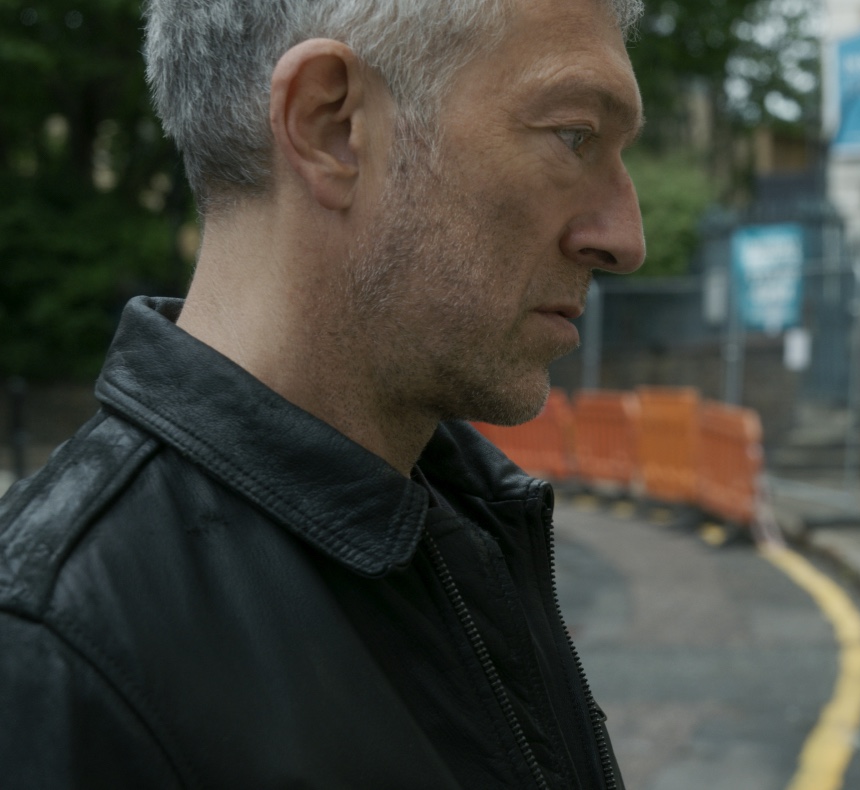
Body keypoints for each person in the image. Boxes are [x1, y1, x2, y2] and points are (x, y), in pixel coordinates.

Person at [0, 0, 646, 787]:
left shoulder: (467, 517)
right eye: (574, 136)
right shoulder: (50, 659)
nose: (625, 239)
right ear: (331, 125)